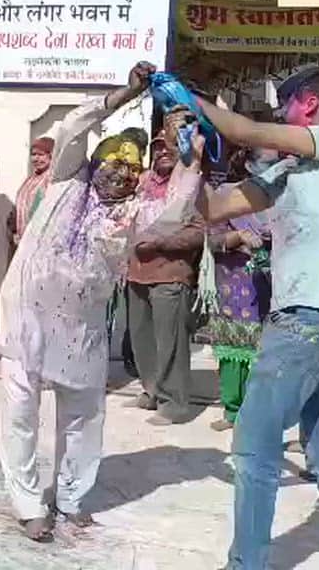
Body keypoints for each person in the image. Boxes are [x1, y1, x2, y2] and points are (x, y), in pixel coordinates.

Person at [0, 62, 202, 542]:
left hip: (82, 329)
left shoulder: (132, 212)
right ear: (95, 161)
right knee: (21, 414)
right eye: (116, 160)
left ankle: (70, 497)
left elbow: (175, 208)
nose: (124, 171)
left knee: (84, 419)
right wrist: (128, 93)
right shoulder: (69, 181)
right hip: (26, 317)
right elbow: (71, 128)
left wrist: (187, 151)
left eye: (134, 167)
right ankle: (28, 503)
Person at [191, 67, 319, 570]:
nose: (280, 113)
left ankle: (245, 563)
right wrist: (195, 159)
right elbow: (215, 207)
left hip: (307, 319)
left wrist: (192, 99)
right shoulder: (288, 172)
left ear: (311, 104)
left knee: (254, 446)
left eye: (288, 103)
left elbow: (244, 131)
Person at [126, 136, 205, 425]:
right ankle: (151, 391)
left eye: (168, 148)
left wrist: (161, 243)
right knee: (141, 336)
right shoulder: (141, 186)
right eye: (157, 148)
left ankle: (175, 404)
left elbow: (198, 232)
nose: (162, 153)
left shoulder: (189, 187)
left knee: (170, 341)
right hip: (136, 272)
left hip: (170, 273)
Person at [205, 148, 272, 433]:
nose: (273, 166)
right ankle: (233, 409)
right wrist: (238, 236)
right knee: (233, 351)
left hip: (271, 285)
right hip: (233, 285)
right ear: (248, 163)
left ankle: (258, 412)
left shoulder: (280, 195)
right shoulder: (227, 196)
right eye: (268, 161)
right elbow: (211, 239)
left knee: (266, 355)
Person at [7, 136, 55, 250]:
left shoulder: (52, 180)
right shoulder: (31, 179)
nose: (36, 159)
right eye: (33, 155)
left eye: (41, 154)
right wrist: (13, 230)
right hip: (22, 242)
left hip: (40, 242)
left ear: (51, 155)